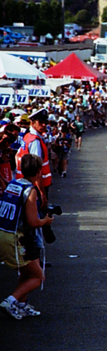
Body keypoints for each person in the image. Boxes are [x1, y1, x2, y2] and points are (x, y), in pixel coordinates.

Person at [0, 154, 54, 320]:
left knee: (26, 272)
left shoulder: (14, 184)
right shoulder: (29, 191)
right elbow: (33, 221)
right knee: (38, 277)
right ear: (38, 171)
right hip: (15, 238)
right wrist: (46, 220)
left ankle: (21, 303)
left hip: (4, 232)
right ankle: (10, 301)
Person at [16, 109, 52, 203]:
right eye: (40, 122)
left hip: (24, 181)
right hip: (36, 185)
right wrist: (42, 193)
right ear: (32, 123)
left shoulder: (28, 136)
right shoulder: (35, 141)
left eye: (45, 122)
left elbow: (17, 155)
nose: (44, 125)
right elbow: (37, 170)